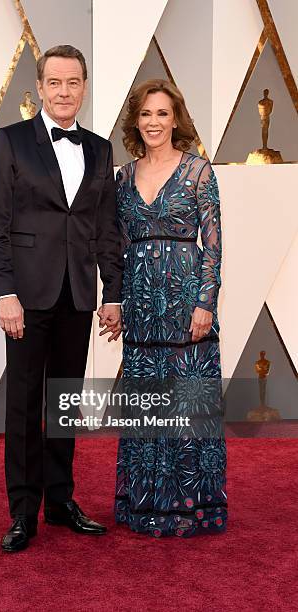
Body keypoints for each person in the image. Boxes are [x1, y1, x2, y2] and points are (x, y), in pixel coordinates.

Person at [0, 45, 123, 552]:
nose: (64, 92)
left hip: (78, 295)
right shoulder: (10, 143)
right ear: (40, 88)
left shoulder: (101, 149)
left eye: (73, 83)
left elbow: (106, 228)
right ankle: (23, 512)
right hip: (25, 295)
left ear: (83, 88)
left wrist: (114, 294)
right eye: (55, 83)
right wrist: (5, 293)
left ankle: (60, 500)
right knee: (23, 406)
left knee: (64, 402)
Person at [113, 79, 227, 537]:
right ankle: (144, 506)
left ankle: (191, 508)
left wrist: (205, 303)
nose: (153, 122)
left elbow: (214, 247)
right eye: (145, 114)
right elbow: (116, 247)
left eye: (162, 114)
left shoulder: (200, 171)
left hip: (186, 311)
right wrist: (115, 302)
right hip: (141, 308)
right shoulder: (122, 178)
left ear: (175, 119)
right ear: (135, 121)